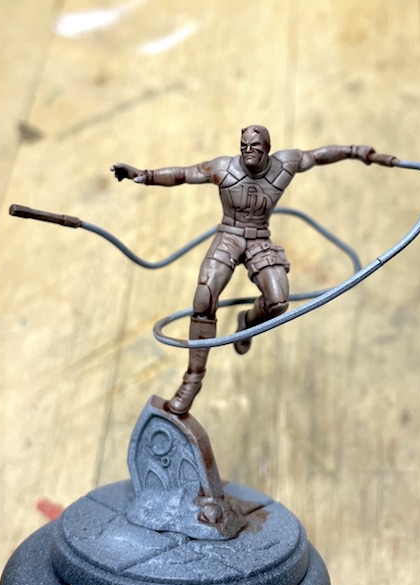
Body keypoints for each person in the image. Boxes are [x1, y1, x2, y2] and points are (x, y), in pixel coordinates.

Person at [111, 125, 394, 415]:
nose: (247, 151)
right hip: (229, 236)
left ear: (267, 149)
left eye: (254, 146)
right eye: (243, 145)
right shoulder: (224, 168)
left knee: (278, 301)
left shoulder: (285, 165)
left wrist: (357, 152)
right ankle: (192, 380)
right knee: (205, 296)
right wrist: (143, 175)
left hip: (259, 238)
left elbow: (319, 156)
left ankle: (247, 322)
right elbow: (184, 174)